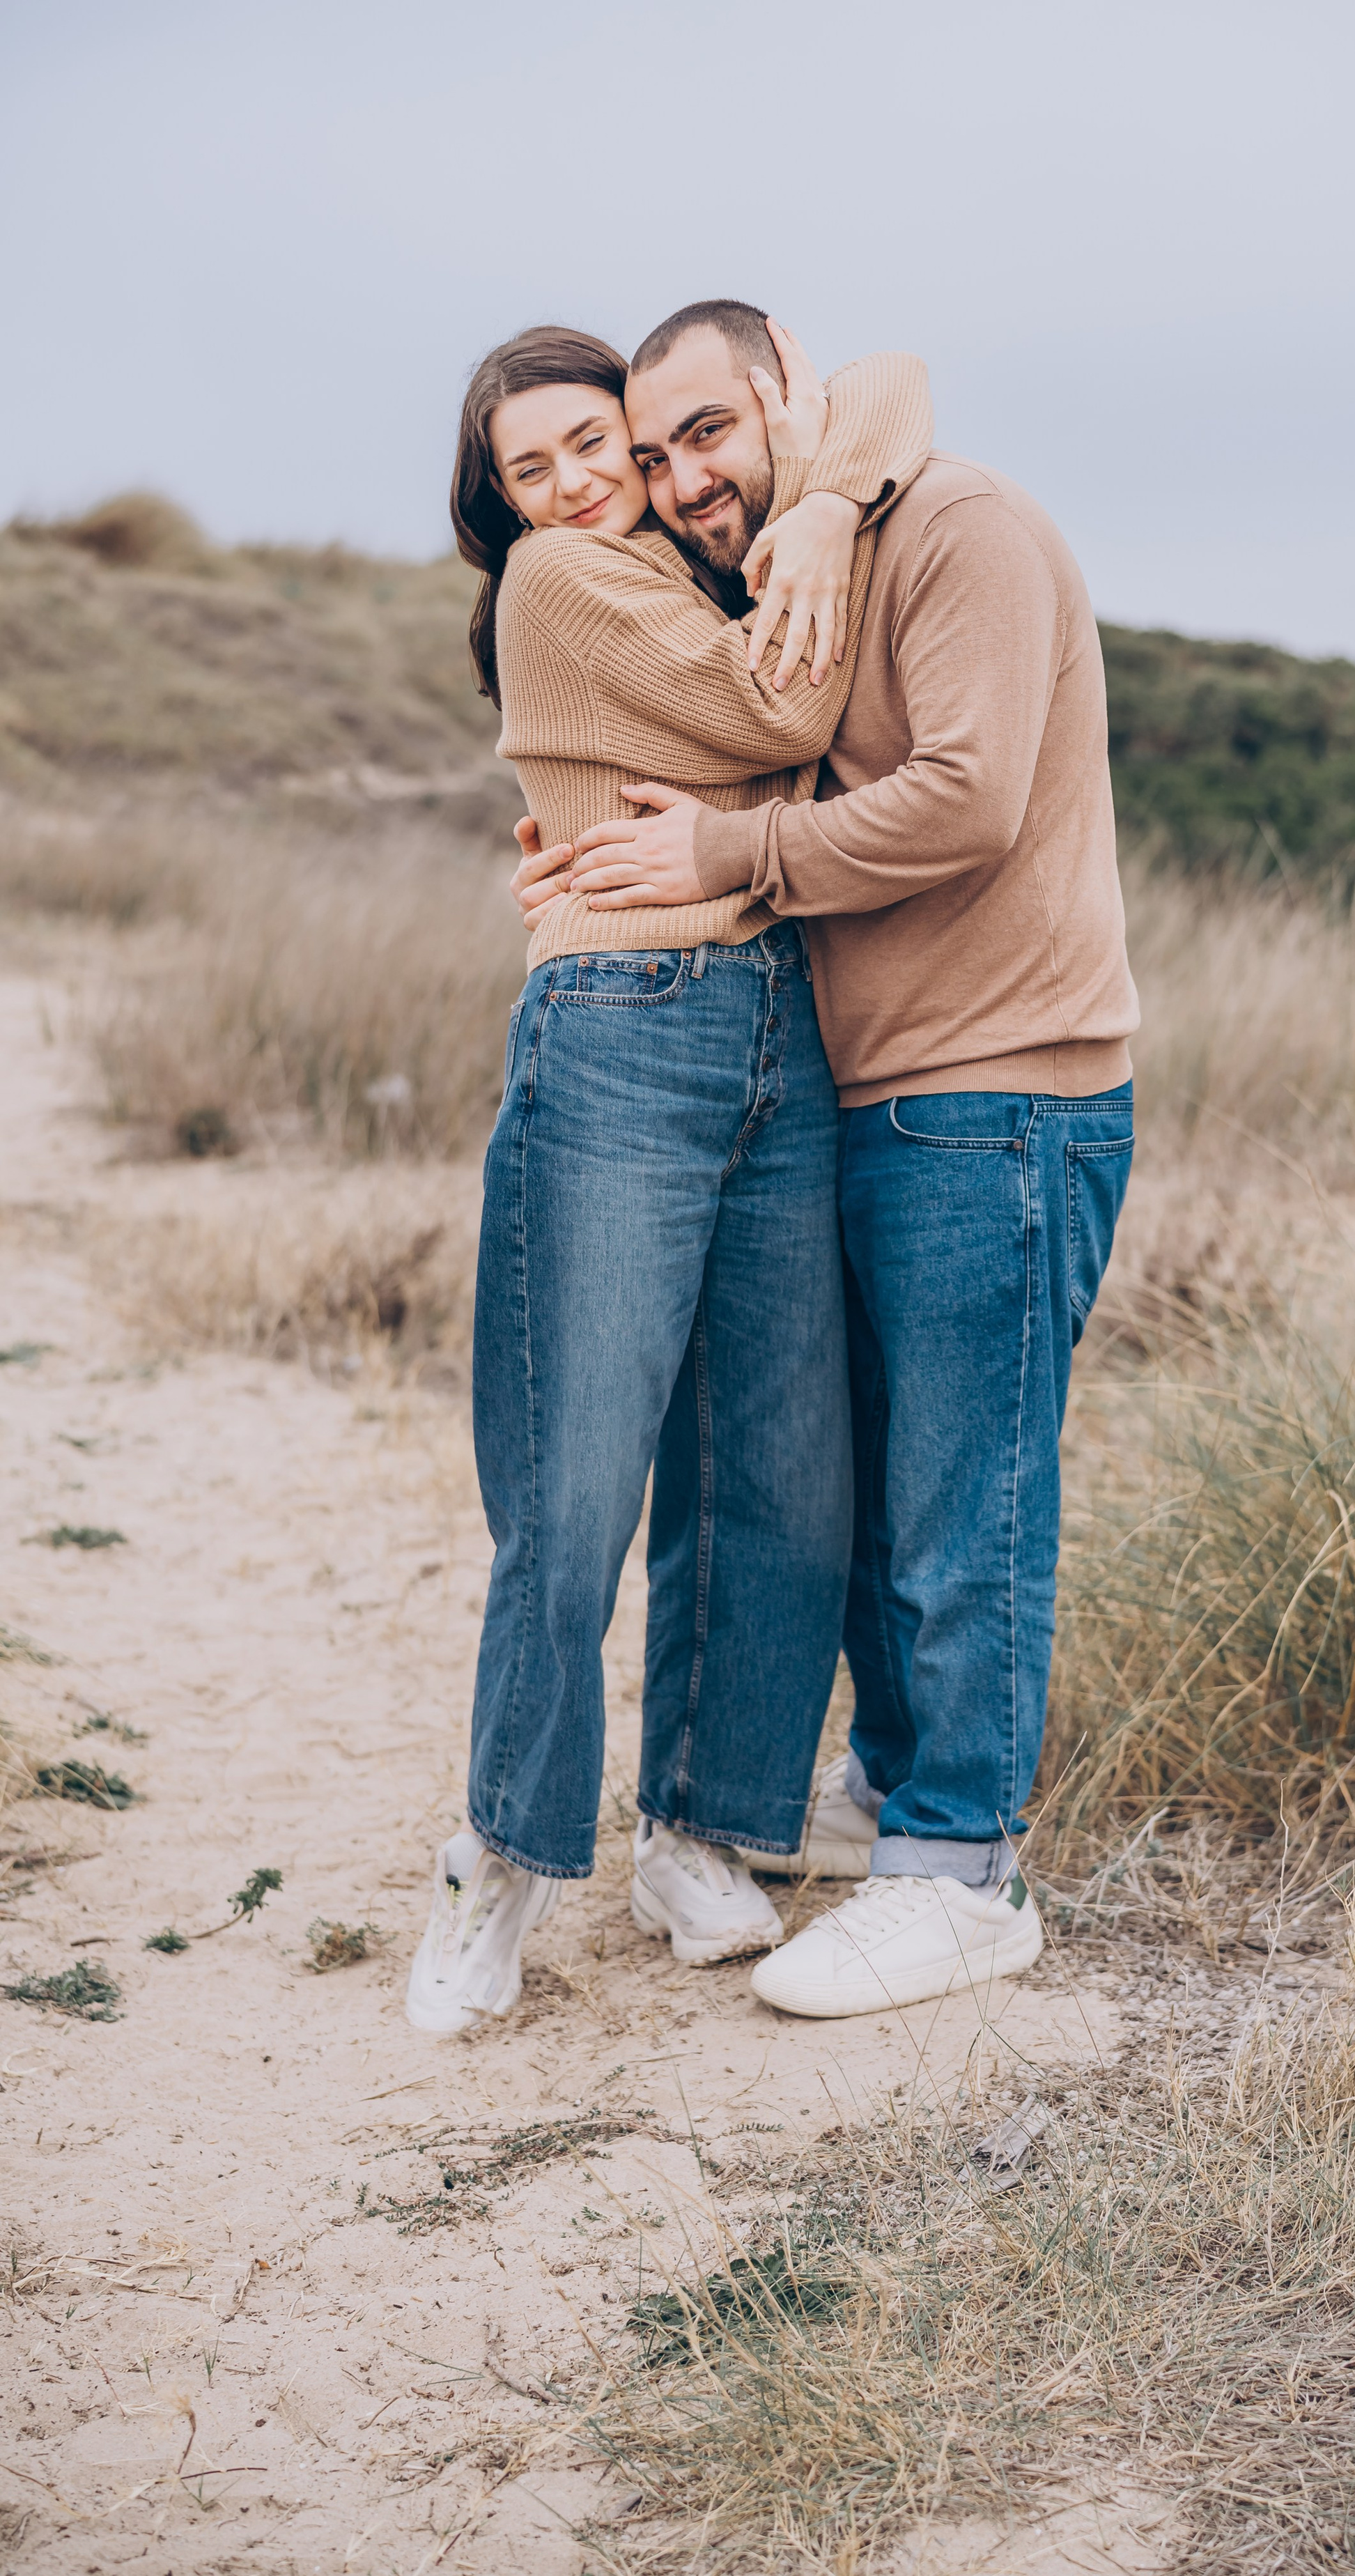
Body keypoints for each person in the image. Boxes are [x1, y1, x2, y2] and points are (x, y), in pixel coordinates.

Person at [521, 297, 1140, 2020]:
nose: (680, 479)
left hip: (1001, 1090)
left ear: (786, 392)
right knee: (868, 1492)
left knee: (964, 1498)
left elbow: (966, 799)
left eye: (708, 433)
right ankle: (889, 1790)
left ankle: (963, 1871)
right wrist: (583, 849)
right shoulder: (788, 565)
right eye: (653, 456)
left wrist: (732, 850)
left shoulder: (959, 528)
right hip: (866, 1096)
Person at [405, 316, 931, 2035]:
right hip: (624, 1027)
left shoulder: (698, 560)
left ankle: (699, 1829)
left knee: (778, 1466)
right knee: (572, 1480)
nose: (575, 486)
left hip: (785, 1023)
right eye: (530, 469)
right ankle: (498, 1858)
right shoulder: (560, 582)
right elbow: (784, 704)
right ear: (497, 501)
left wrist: (822, 501)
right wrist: (822, 538)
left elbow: (886, 377)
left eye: (600, 448)